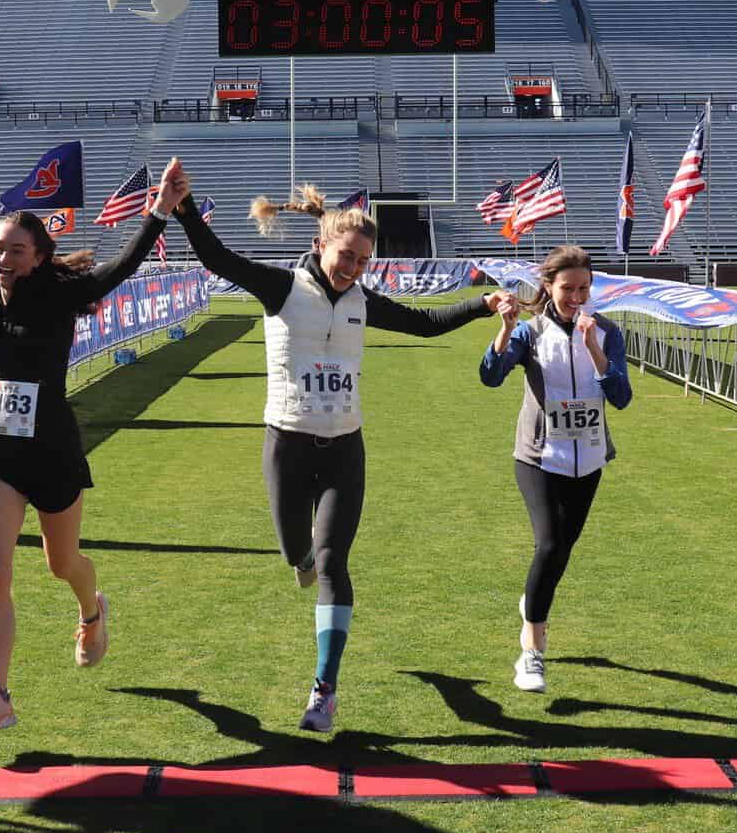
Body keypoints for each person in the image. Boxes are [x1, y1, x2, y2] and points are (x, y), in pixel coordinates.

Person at [172, 177, 511, 733]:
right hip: (286, 443)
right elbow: (220, 259)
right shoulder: (280, 288)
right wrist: (184, 212)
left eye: (364, 262)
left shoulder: (361, 300)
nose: (354, 269)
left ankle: (324, 689)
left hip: (343, 450)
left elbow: (423, 324)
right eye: (347, 257)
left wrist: (481, 304)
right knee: (295, 555)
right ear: (322, 245)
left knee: (333, 565)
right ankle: (300, 560)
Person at [0, 159, 187, 732]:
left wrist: (158, 211)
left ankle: (93, 610)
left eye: (14, 250)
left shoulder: (60, 295)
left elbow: (121, 268)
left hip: (53, 452)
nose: (2, 258)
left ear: (38, 255)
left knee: (64, 564)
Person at [479, 246, 632, 693]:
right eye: (568, 288)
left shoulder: (606, 333)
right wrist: (505, 332)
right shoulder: (531, 332)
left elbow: (621, 397)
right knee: (548, 544)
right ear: (549, 287)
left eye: (584, 288)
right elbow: (491, 376)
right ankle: (532, 651)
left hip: (589, 460)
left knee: (561, 550)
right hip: (539, 457)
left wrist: (593, 350)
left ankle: (533, 600)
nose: (577, 297)